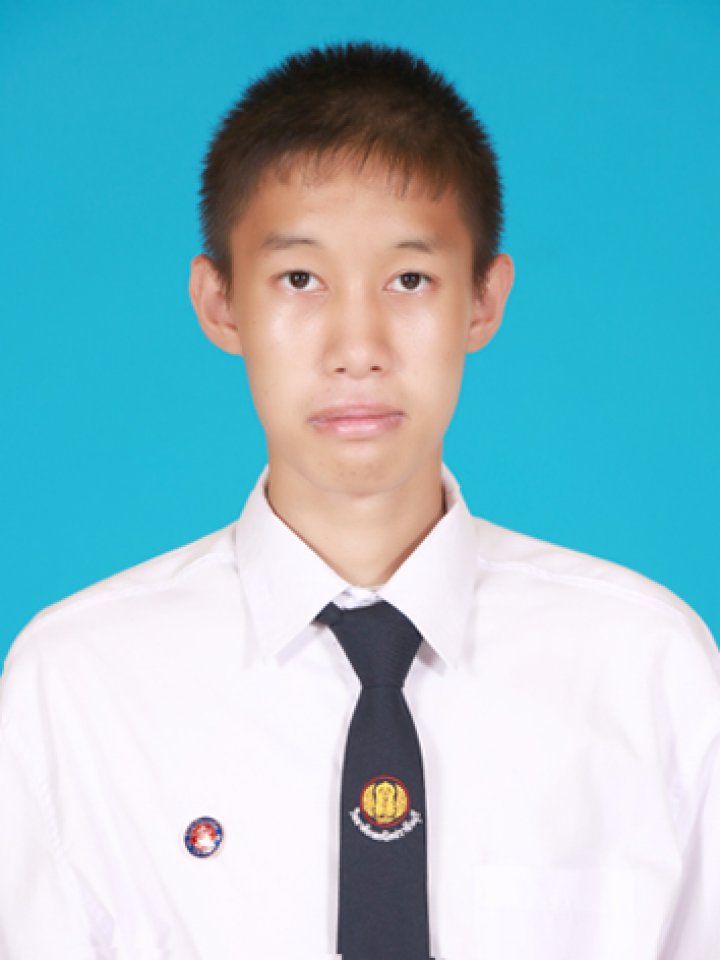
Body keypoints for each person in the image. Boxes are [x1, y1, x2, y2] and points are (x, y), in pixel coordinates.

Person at [0, 41, 718, 960]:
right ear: (220, 304)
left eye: (409, 280)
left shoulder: (647, 666)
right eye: (299, 279)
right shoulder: (77, 684)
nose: (357, 347)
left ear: (483, 300)